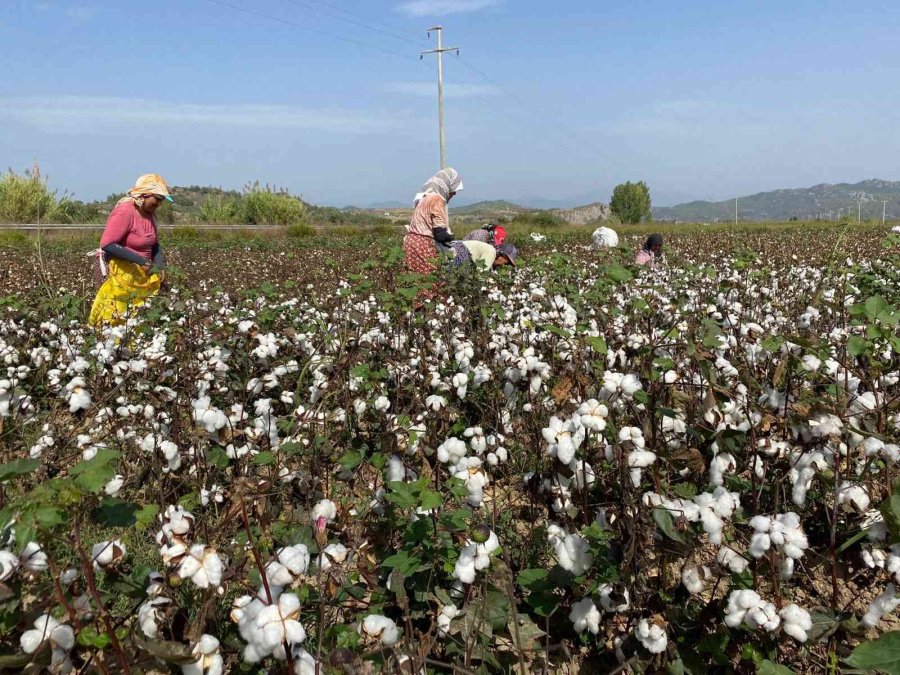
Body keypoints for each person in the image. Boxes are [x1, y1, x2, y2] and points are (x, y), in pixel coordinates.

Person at [88, 174, 172, 327]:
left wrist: (160, 266)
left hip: (141, 272)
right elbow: (107, 244)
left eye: (162, 200)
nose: (159, 203)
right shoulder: (125, 211)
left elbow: (154, 244)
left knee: (141, 315)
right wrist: (141, 261)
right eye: (157, 199)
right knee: (116, 315)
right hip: (119, 272)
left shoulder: (149, 214)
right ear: (144, 195)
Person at [403, 168, 463, 274]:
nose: (454, 194)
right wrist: (451, 237)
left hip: (410, 242)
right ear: (447, 186)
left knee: (414, 277)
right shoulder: (436, 200)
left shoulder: (424, 198)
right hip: (423, 244)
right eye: (454, 190)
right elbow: (440, 234)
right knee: (429, 280)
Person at [448, 240, 517, 270]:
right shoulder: (491, 253)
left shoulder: (490, 251)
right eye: (507, 263)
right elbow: (481, 273)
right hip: (460, 252)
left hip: (456, 249)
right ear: (503, 255)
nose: (504, 265)